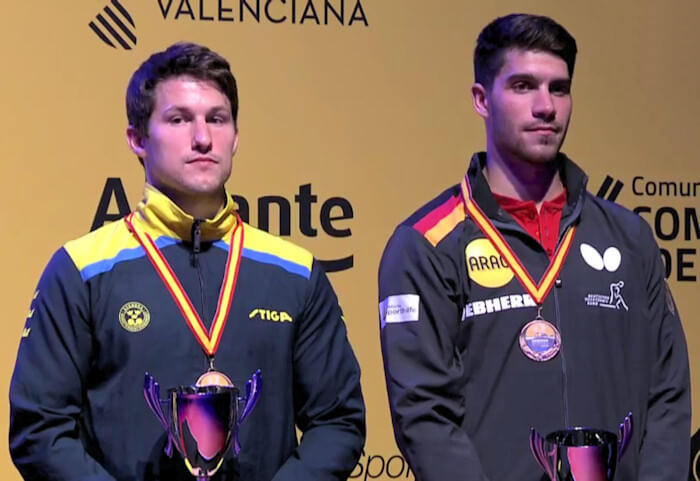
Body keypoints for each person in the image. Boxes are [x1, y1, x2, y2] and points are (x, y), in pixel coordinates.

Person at [10, 42, 365, 481]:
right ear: (137, 139)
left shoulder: (295, 273)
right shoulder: (81, 270)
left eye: (217, 119)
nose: (202, 137)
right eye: (179, 119)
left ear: (236, 136)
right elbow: (39, 432)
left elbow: (338, 422)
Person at [378, 13, 690, 481]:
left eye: (559, 88)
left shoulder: (628, 237)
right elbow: (425, 417)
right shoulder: (426, 244)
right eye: (524, 86)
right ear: (482, 100)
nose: (546, 107)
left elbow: (667, 393)